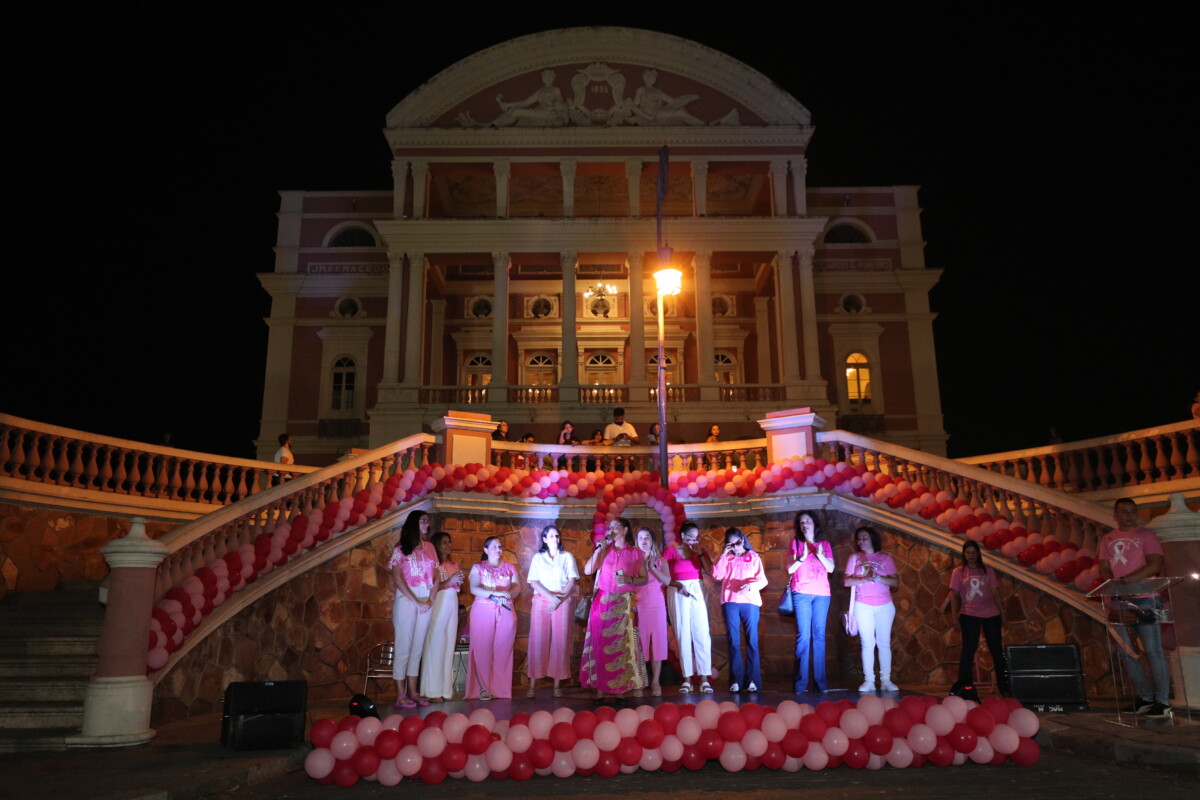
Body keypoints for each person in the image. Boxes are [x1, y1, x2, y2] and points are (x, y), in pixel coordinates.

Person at [1099, 498, 1171, 717]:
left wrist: (1125, 582)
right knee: (1127, 651)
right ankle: (1144, 698)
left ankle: (1163, 701)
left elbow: (1155, 565)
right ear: (1116, 514)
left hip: (1146, 598)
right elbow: (1103, 567)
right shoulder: (1107, 539)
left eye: (1132, 511)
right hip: (1121, 600)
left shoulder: (1146, 535)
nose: (1129, 515)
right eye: (1124, 512)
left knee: (1153, 650)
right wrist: (1114, 586)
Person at [580, 517, 647, 702]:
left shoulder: (636, 553)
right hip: (602, 602)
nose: (611, 529)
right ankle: (599, 688)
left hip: (624, 604)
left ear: (625, 530)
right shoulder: (604, 549)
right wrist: (599, 549)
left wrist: (630, 580)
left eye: (615, 526)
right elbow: (587, 571)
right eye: (609, 527)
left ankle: (621, 689)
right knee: (600, 644)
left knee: (622, 646)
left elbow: (644, 579)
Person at [388, 512, 438, 708]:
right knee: (404, 647)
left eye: (427, 521)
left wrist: (431, 599)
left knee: (417, 648)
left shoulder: (430, 548)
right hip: (407, 602)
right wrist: (417, 602)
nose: (427, 524)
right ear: (413, 524)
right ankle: (400, 695)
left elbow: (436, 577)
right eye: (423, 520)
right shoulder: (401, 549)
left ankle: (413, 691)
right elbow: (398, 579)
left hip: (426, 602)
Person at [949, 540, 1009, 696]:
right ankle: (966, 688)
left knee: (996, 650)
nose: (970, 556)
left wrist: (1002, 614)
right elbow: (954, 595)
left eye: (973, 552)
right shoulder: (959, 572)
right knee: (968, 651)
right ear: (964, 554)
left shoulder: (987, 570)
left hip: (991, 614)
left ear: (978, 554)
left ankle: (1004, 687)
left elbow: (995, 592)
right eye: (967, 552)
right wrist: (954, 616)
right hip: (969, 615)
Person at [526, 525, 579, 698]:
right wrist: (550, 597)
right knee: (537, 641)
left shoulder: (567, 556)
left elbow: (571, 580)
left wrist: (560, 598)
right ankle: (532, 686)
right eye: (551, 536)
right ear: (544, 539)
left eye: (557, 535)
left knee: (560, 642)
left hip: (562, 601)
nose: (555, 538)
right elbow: (533, 581)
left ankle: (557, 685)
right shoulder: (538, 558)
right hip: (542, 599)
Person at [844, 525, 899, 692]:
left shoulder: (885, 558)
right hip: (863, 605)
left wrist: (877, 577)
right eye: (859, 538)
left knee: (883, 643)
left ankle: (886, 680)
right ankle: (869, 680)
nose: (861, 541)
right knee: (867, 643)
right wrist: (864, 579)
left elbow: (895, 582)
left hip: (884, 606)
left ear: (872, 539)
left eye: (864, 538)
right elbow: (846, 581)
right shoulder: (854, 558)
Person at [712, 527, 768, 692]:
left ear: (743, 540)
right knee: (733, 640)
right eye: (731, 544)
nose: (735, 547)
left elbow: (763, 580)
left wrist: (750, 586)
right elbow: (716, 575)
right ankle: (735, 679)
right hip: (730, 602)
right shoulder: (726, 558)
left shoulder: (753, 557)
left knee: (752, 640)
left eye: (737, 542)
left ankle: (752, 680)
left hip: (750, 602)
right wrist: (723, 554)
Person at [466, 537, 521, 700]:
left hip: (506, 609)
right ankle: (483, 688)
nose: (498, 549)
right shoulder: (478, 567)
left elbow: (517, 586)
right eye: (495, 546)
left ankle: (500, 689)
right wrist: (495, 593)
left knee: (503, 650)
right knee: (483, 648)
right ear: (486, 549)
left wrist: (509, 594)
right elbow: (474, 587)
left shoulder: (509, 567)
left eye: (500, 546)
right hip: (483, 609)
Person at [664, 520, 715, 693]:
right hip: (678, 589)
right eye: (691, 537)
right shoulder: (671, 550)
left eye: (696, 537)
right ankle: (686, 679)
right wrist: (676, 585)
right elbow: (661, 572)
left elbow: (711, 570)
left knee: (701, 632)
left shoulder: (699, 551)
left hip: (697, 587)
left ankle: (704, 678)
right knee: (682, 632)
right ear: (683, 536)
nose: (694, 540)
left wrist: (699, 553)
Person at [788, 511, 834, 693]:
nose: (804, 525)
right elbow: (790, 569)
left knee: (819, 636)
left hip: (822, 595)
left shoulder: (825, 544)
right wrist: (802, 556)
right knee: (803, 637)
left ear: (814, 524)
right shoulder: (795, 543)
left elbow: (831, 568)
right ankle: (800, 685)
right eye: (801, 522)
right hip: (802, 594)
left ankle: (820, 684)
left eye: (808, 521)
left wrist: (820, 554)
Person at [420, 532, 464, 702]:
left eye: (449, 542)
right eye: (444, 542)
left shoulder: (453, 564)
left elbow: (456, 586)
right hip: (439, 602)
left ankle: (445, 690)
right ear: (436, 544)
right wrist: (450, 580)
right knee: (436, 644)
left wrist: (458, 581)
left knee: (448, 644)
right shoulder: (433, 564)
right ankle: (431, 691)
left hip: (452, 602)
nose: (448, 545)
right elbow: (433, 588)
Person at [634, 526, 671, 696]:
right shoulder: (632, 560)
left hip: (656, 605)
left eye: (647, 537)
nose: (644, 540)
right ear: (637, 541)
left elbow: (668, 581)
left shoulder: (660, 560)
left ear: (652, 541)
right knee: (639, 644)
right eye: (640, 537)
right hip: (638, 605)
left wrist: (653, 568)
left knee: (657, 643)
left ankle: (655, 682)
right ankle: (640, 681)